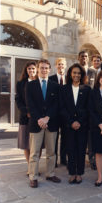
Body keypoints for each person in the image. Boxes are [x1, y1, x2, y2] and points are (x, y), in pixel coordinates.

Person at [26, 59, 61, 188]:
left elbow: (57, 104)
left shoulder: (55, 86)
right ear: (38, 69)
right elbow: (30, 105)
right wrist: (39, 119)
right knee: (34, 153)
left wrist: (47, 118)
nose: (44, 70)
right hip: (36, 124)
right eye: (42, 68)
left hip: (51, 123)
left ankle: (50, 174)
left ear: (50, 69)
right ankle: (33, 177)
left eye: (46, 68)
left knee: (51, 152)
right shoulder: (30, 85)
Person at [59, 63, 91, 184]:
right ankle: (72, 173)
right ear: (70, 74)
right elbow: (61, 108)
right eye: (74, 73)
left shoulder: (87, 89)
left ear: (82, 75)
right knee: (70, 149)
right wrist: (71, 122)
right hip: (68, 125)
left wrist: (79, 121)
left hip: (82, 125)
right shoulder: (64, 88)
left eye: (79, 73)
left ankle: (79, 173)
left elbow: (89, 108)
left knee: (81, 149)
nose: (76, 75)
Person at [15, 61, 43, 176]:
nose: (31, 71)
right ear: (26, 71)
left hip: (38, 118)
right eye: (29, 69)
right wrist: (26, 112)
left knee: (38, 145)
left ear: (36, 70)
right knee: (27, 144)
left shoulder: (40, 83)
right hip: (25, 118)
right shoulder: (21, 84)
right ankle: (30, 167)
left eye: (33, 69)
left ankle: (35, 166)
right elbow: (18, 100)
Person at [78, 51, 96, 170]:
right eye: (82, 56)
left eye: (86, 56)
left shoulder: (93, 71)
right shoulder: (75, 69)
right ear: (78, 58)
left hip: (90, 105)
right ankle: (79, 159)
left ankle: (92, 160)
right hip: (79, 106)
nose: (84, 58)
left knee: (90, 137)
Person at [49, 57, 67, 167]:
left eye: (62, 64)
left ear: (65, 66)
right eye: (59, 64)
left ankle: (64, 159)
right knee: (54, 138)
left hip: (65, 113)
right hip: (54, 114)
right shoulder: (51, 79)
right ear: (56, 66)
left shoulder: (68, 79)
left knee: (65, 137)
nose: (61, 66)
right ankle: (54, 160)